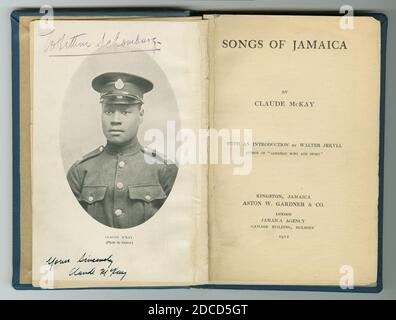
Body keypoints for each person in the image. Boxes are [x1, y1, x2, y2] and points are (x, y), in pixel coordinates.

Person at [67, 72, 178, 228]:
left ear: (140, 115)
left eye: (125, 112)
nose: (115, 120)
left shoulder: (163, 170)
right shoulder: (80, 171)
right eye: (108, 112)